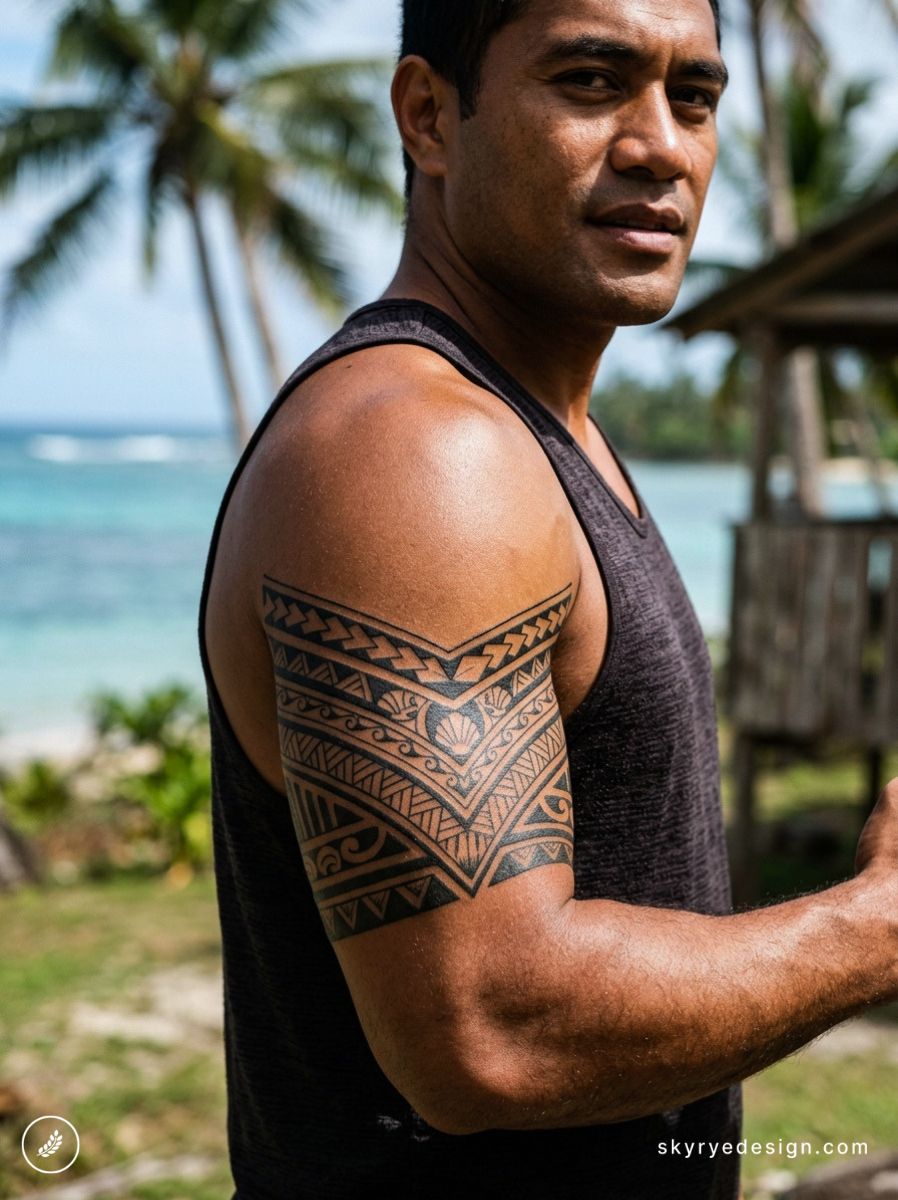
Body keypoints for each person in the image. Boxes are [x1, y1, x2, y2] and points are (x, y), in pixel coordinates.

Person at [198, 1, 898, 1197]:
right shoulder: (417, 454)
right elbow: (490, 1030)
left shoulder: (543, 433)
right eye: (589, 80)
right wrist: (878, 926)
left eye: (694, 96)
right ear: (429, 116)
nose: (661, 146)